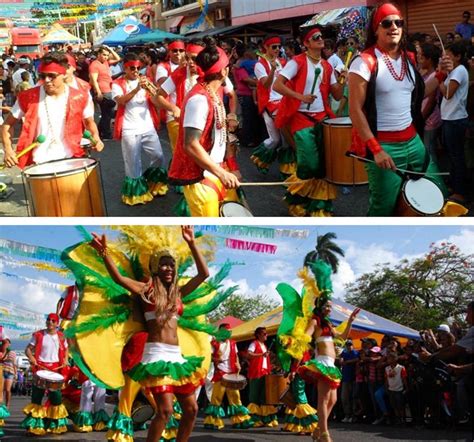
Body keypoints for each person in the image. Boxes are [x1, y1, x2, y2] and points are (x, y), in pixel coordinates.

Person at [89, 225, 209, 442]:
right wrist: (104, 253)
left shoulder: (179, 294)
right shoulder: (146, 291)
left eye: (172, 264)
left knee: (191, 409)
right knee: (165, 411)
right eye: (164, 263)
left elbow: (204, 273)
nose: (169, 267)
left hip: (177, 357)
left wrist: (191, 242)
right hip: (156, 355)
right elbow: (118, 279)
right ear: (155, 267)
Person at [348, 2, 447, 216]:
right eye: (386, 23)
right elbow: (354, 110)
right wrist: (376, 149)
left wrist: (440, 75)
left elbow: (419, 94)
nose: (393, 27)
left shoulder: (408, 58)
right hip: (384, 145)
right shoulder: (363, 62)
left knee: (436, 193)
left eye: (398, 22)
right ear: (376, 30)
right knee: (382, 207)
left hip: (414, 142)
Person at [274, 26, 345, 216]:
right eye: (316, 37)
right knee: (309, 164)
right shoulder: (296, 62)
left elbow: (337, 96)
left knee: (323, 165)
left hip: (322, 117)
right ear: (306, 43)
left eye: (321, 36)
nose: (321, 39)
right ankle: (297, 201)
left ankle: (319, 206)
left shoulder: (327, 66)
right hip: (300, 117)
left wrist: (342, 80)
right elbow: (277, 85)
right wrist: (300, 96)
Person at [168, 37, 241, 217]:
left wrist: (229, 167)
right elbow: (190, 144)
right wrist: (221, 173)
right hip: (201, 177)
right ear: (225, 71)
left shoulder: (212, 92)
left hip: (214, 170)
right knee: (209, 234)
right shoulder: (199, 99)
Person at [1, 53, 104, 170]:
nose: (47, 80)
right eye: (42, 76)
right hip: (41, 161)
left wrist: (96, 137)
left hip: (73, 158)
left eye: (52, 76)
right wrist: (8, 150)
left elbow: (89, 122)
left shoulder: (80, 96)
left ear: (64, 74)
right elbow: (7, 125)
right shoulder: (28, 97)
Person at [297, 260, 360, 442]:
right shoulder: (315, 322)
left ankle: (317, 429)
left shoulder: (330, 325)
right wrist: (299, 340)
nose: (329, 308)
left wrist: (350, 321)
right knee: (323, 400)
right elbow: (307, 334)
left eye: (330, 306)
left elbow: (341, 336)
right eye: (327, 305)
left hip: (332, 365)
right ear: (320, 306)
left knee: (332, 401)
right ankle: (324, 433)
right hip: (322, 363)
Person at [111, 52, 167, 206]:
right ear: (125, 68)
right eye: (132, 68)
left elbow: (157, 102)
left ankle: (154, 184)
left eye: (138, 68)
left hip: (148, 126)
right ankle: (136, 195)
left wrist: (153, 92)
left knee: (159, 155)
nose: (136, 71)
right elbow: (121, 101)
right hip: (130, 129)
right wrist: (136, 89)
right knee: (133, 162)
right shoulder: (117, 84)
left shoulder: (146, 81)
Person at [22, 313, 69, 435]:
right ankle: (35, 426)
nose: (50, 322)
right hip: (40, 368)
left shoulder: (61, 336)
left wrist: (65, 359)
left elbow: (66, 348)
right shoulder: (38, 335)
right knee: (37, 396)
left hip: (55, 369)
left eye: (53, 321)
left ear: (57, 323)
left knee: (56, 398)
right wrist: (31, 357)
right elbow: (27, 349)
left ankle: (54, 425)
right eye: (48, 320)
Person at [203, 323, 251, 430]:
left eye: (229, 332)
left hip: (232, 375)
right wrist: (215, 360)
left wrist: (238, 364)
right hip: (220, 374)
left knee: (235, 398)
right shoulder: (214, 343)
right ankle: (213, 422)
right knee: (216, 398)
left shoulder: (233, 343)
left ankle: (239, 420)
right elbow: (208, 356)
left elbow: (236, 356)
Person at [439, 42, 470, 203]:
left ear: (457, 57)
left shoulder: (459, 71)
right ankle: (454, 186)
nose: (445, 58)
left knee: (457, 157)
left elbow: (448, 94)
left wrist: (439, 80)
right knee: (453, 155)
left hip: (455, 120)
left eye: (448, 55)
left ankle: (460, 192)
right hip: (450, 119)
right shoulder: (454, 71)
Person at [250, 35, 286, 174]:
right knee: (276, 139)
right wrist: (272, 70)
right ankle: (260, 158)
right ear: (266, 47)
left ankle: (287, 169)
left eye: (279, 46)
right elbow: (265, 84)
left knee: (285, 137)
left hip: (283, 102)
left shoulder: (281, 62)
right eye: (274, 47)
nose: (277, 49)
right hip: (269, 104)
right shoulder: (260, 65)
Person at [155, 40, 186, 152]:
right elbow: (163, 84)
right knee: (178, 151)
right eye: (175, 50)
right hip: (174, 114)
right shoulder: (162, 67)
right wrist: (179, 70)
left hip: (192, 113)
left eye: (181, 51)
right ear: (169, 52)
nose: (178, 53)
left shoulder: (191, 65)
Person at [246, 327, 278, 427]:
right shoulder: (254, 343)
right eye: (264, 334)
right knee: (254, 396)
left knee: (265, 397)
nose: (266, 335)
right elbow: (249, 354)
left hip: (265, 373)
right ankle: (254, 420)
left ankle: (266, 419)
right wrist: (261, 354)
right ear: (259, 335)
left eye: (266, 333)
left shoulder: (264, 345)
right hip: (256, 373)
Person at [89, 45, 121, 139]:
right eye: (103, 55)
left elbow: (118, 58)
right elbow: (93, 80)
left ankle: (99, 132)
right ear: (98, 54)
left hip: (109, 89)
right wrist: (98, 92)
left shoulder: (106, 63)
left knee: (106, 113)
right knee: (107, 113)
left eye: (107, 55)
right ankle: (106, 134)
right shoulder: (94, 65)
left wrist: (110, 49)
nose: (105, 57)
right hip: (103, 91)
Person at [418, 43, 442, 164]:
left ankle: (434, 178)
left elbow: (431, 101)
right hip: (425, 119)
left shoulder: (434, 76)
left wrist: (421, 119)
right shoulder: (426, 74)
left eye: (422, 57)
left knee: (429, 151)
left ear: (429, 59)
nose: (419, 60)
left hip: (430, 120)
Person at [384, 352, 407, 424]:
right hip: (391, 389)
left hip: (399, 389)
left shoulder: (401, 368)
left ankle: (403, 419)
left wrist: (406, 388)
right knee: (394, 405)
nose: (389, 360)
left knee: (400, 405)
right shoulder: (387, 368)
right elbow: (386, 379)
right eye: (388, 358)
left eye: (391, 358)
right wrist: (386, 387)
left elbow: (404, 378)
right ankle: (398, 419)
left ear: (395, 359)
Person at [339, 339, 359, 423]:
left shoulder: (354, 352)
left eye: (350, 345)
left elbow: (357, 359)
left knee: (353, 397)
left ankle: (353, 416)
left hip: (354, 379)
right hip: (345, 378)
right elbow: (340, 358)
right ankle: (347, 414)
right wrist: (341, 360)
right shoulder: (345, 352)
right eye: (347, 345)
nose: (349, 346)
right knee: (344, 398)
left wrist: (347, 362)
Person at [0, 337, 16, 409]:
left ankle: (7, 404)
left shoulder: (13, 352)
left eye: (7, 343)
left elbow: (14, 363)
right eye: (4, 343)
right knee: (1, 389)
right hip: (2, 371)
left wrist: (15, 374)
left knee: (7, 390)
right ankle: (1, 404)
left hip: (10, 372)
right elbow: (2, 359)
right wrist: (4, 351)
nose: (5, 344)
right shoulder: (1, 351)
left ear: (9, 344)